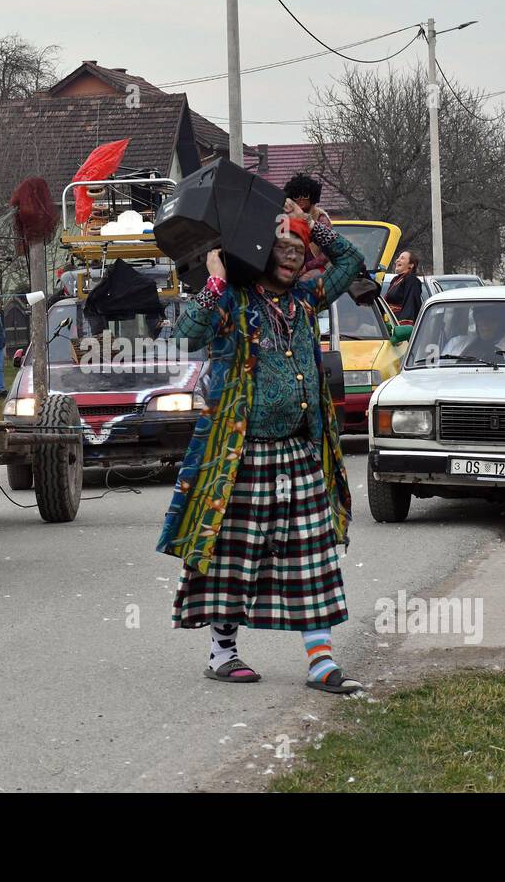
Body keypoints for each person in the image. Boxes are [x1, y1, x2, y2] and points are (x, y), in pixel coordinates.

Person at [158, 199, 367, 694]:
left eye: (299, 249)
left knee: (311, 556)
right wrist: (213, 279)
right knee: (234, 554)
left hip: (299, 453)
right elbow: (186, 336)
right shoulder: (234, 299)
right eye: (283, 247)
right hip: (242, 456)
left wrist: (316, 227)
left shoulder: (307, 299)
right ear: (261, 252)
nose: (293, 257)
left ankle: (321, 662)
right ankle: (223, 653)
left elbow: (352, 264)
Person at [385, 250, 423, 324]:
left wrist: (404, 325)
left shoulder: (412, 280)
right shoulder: (395, 280)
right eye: (398, 258)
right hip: (389, 320)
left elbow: (410, 304)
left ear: (411, 265)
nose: (397, 260)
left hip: (398, 324)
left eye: (402, 258)